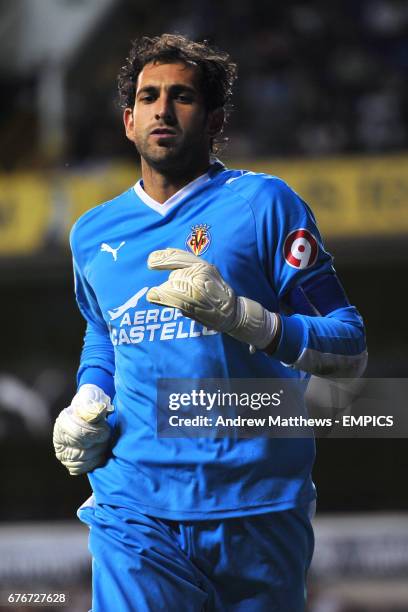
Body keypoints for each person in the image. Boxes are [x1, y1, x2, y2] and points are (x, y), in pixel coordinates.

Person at [53, 34, 367, 611]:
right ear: (128, 120)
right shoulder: (91, 233)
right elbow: (103, 331)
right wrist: (88, 396)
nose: (163, 110)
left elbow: (348, 346)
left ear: (215, 118)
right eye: (148, 97)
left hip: (258, 506)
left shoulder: (266, 204)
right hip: (134, 506)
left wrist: (250, 321)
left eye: (182, 97)